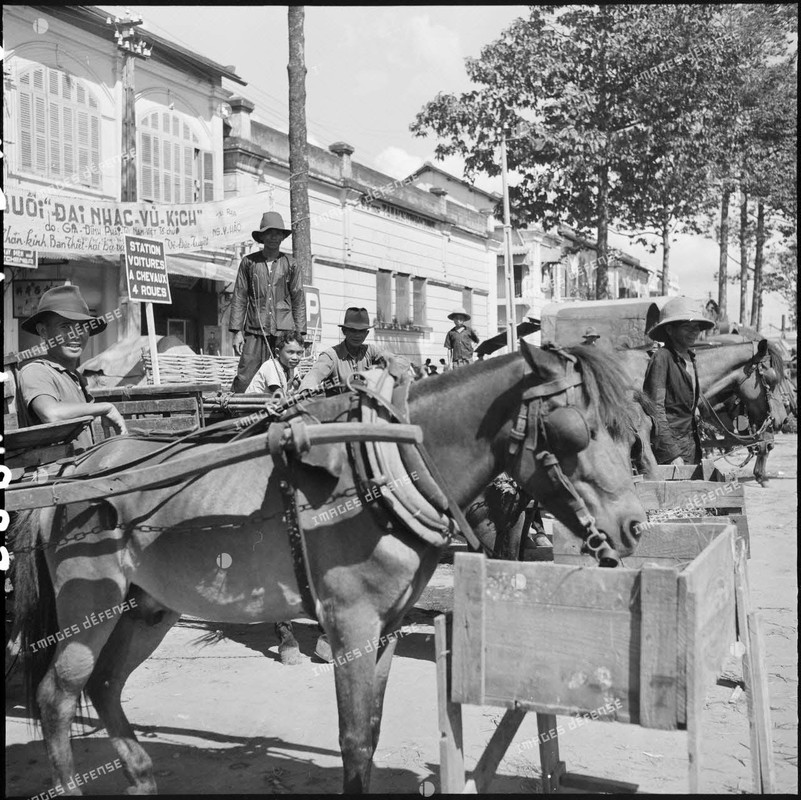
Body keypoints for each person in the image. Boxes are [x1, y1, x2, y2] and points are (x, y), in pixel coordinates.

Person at [17, 285, 127, 449]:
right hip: (52, 472)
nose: (75, 335)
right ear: (43, 332)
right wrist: (105, 408)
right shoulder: (36, 371)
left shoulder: (74, 376)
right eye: (65, 326)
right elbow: (51, 414)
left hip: (80, 467)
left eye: (82, 327)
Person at [229, 211, 306, 393]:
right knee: (245, 376)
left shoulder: (291, 264)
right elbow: (240, 295)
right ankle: (238, 415)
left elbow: (298, 298)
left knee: (284, 376)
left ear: (282, 236)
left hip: (284, 332)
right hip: (255, 329)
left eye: (277, 233)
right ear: (262, 236)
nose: (273, 237)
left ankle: (282, 415)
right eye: (269, 233)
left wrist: (300, 334)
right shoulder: (249, 262)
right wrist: (236, 332)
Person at [643, 296, 714, 466]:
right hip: (669, 450)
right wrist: (671, 454)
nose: (694, 332)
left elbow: (690, 406)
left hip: (690, 445)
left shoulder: (691, 358)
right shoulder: (662, 358)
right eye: (687, 327)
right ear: (669, 330)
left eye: (696, 327)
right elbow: (655, 409)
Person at [297, 307, 390, 394]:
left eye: (361, 331)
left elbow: (395, 362)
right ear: (344, 331)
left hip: (366, 405)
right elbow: (315, 374)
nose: (357, 335)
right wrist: (306, 391)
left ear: (366, 334)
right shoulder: (331, 356)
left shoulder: (371, 351)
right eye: (353, 330)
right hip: (339, 408)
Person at [245, 330, 305, 397]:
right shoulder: (271, 366)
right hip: (254, 403)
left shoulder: (292, 368)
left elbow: (297, 386)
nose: (295, 357)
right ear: (277, 353)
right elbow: (278, 392)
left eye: (299, 353)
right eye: (290, 352)